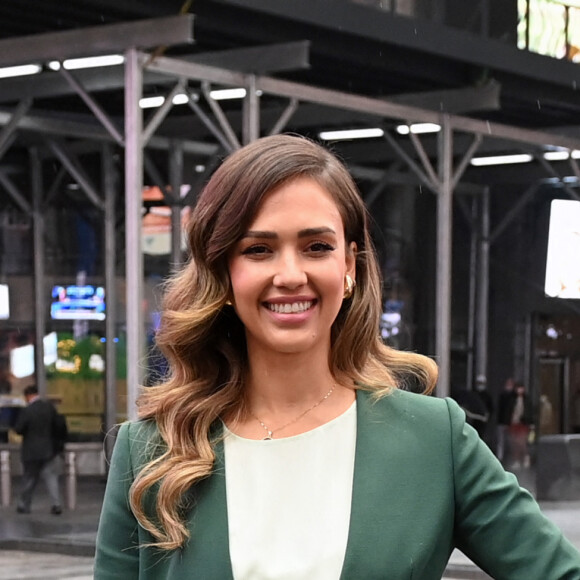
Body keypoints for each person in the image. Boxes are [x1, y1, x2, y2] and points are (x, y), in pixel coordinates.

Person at [94, 135, 580, 579]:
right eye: (259, 249)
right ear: (224, 271)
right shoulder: (152, 451)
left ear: (348, 265)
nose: (290, 274)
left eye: (316, 246)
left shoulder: (435, 439)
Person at [14, 384, 65, 515]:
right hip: (49, 449)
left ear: (28, 395)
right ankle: (56, 504)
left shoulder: (27, 410)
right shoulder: (49, 408)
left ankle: (24, 505)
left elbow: (19, 429)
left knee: (29, 478)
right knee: (51, 477)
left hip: (31, 451)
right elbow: (59, 426)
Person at [508, 381, 534, 470]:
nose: (519, 390)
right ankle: (517, 460)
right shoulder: (512, 399)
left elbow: (530, 411)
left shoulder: (527, 399)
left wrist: (530, 422)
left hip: (523, 423)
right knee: (514, 443)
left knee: (522, 442)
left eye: (521, 388)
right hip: (514, 423)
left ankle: (526, 458)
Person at [496, 377, 515, 464]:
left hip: (510, 423)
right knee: (501, 441)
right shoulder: (502, 396)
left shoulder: (514, 397)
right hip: (502, 421)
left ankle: (509, 457)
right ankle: (500, 456)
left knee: (510, 441)